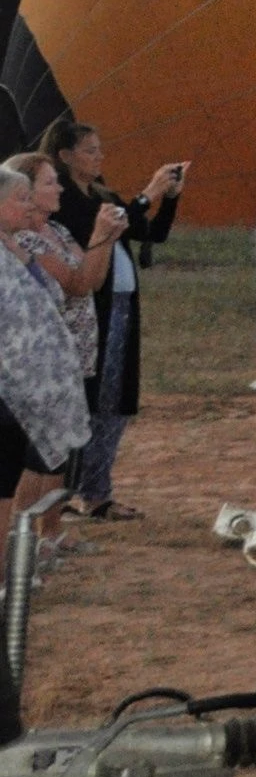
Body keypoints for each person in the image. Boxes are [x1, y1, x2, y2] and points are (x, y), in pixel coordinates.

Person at [41, 120, 182, 522]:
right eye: (89, 151)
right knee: (91, 398)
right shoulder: (65, 202)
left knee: (115, 400)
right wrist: (147, 194)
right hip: (92, 310)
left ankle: (94, 488)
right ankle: (78, 492)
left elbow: (150, 232)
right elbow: (97, 234)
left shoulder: (103, 195)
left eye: (100, 150)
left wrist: (168, 198)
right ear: (65, 155)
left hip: (121, 306)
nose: (99, 157)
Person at [0, 164, 91, 557]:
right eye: (19, 198)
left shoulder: (15, 245)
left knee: (24, 466)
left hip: (36, 383)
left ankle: (15, 559)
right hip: (11, 384)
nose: (28, 205)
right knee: (10, 475)